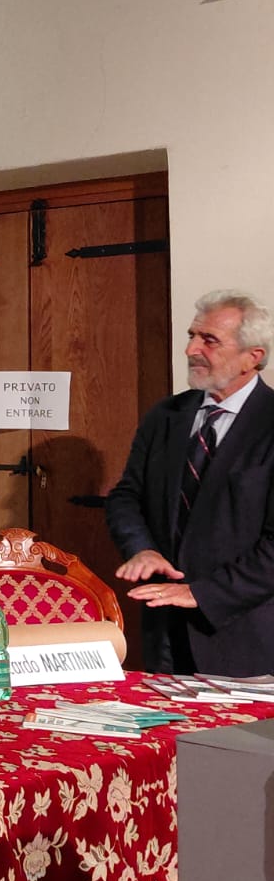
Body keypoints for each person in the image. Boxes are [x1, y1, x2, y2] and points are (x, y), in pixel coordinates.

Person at [107, 289, 274, 675]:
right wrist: (142, 549)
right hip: (164, 635)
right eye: (191, 336)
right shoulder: (166, 415)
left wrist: (201, 593)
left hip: (245, 639)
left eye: (209, 340)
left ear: (253, 357)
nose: (191, 350)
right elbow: (126, 496)